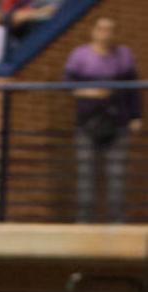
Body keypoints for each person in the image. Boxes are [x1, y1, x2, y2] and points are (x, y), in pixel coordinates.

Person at [65, 17, 141, 224]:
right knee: (86, 175)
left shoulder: (124, 56)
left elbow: (133, 89)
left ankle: (117, 221)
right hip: (87, 122)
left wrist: (136, 116)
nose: (105, 33)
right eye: (101, 29)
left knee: (117, 176)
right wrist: (91, 92)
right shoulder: (80, 56)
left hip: (118, 122)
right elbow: (67, 85)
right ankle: (84, 222)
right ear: (93, 31)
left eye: (110, 29)